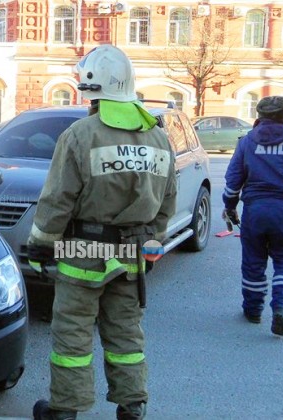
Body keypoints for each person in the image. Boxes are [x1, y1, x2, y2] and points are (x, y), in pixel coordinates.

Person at [27, 45, 177, 420]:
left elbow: (57, 199)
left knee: (72, 335)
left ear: (90, 87)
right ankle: (133, 404)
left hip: (82, 253)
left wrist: (41, 247)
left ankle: (65, 408)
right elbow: (166, 203)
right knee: (126, 334)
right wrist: (151, 246)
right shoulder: (158, 138)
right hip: (131, 255)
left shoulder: (80, 134)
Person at [222, 96, 283, 336]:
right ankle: (282, 308)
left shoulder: (246, 142)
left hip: (255, 211)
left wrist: (230, 205)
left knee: (253, 261)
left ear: (260, 115)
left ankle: (253, 311)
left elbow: (234, 180)